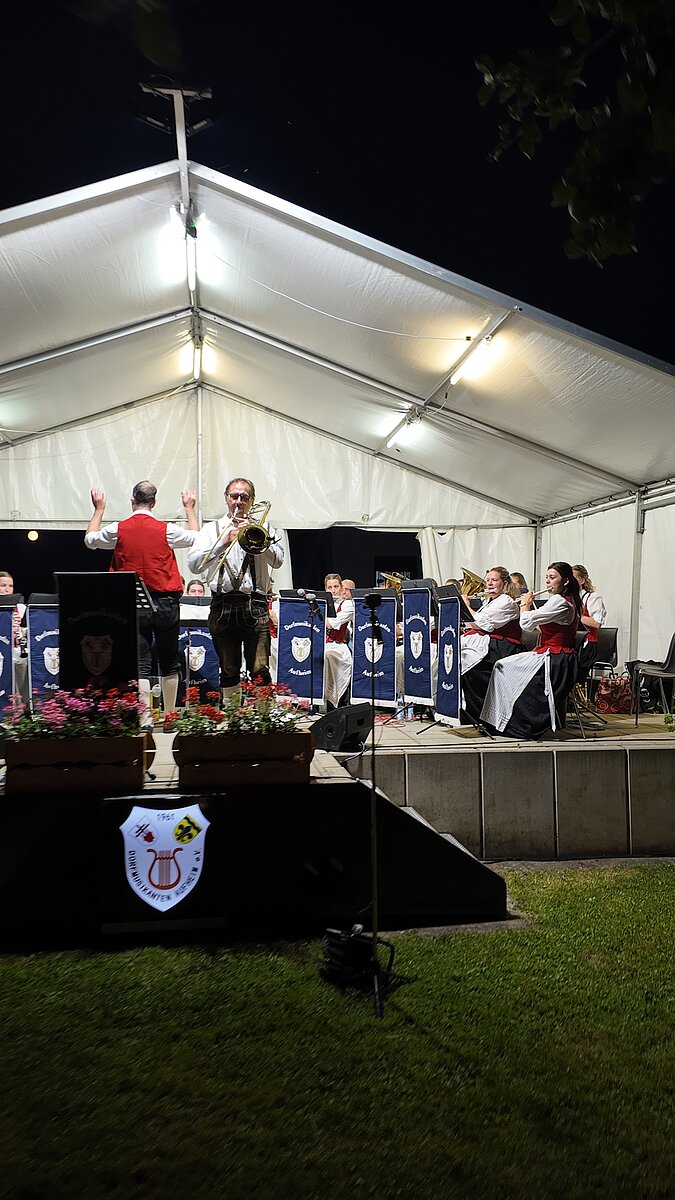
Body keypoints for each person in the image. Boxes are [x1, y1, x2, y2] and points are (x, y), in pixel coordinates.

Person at [84, 480, 199, 718]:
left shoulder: (119, 529)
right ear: (154, 503)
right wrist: (189, 508)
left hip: (133, 604)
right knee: (169, 660)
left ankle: (145, 718)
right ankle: (169, 716)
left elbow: (90, 540)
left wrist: (99, 509)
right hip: (166, 603)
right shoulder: (166, 529)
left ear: (132, 500)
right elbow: (195, 537)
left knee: (141, 663)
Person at [187, 477, 284, 696]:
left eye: (244, 497)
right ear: (226, 498)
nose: (239, 501)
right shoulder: (211, 529)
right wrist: (222, 543)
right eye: (234, 496)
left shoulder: (265, 527)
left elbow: (278, 560)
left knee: (260, 669)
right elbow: (193, 564)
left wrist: (260, 536)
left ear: (252, 501)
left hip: (255, 605)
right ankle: (232, 716)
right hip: (222, 604)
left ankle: (263, 716)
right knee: (228, 669)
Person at [480, 561, 582, 739]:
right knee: (501, 666)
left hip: (557, 658)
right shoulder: (559, 600)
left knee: (502, 668)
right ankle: (499, 721)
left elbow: (526, 623)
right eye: (547, 577)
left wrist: (525, 605)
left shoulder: (560, 602)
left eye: (552, 577)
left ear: (565, 581)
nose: (548, 581)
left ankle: (510, 723)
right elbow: (540, 626)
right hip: (549, 653)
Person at [460, 566, 522, 724]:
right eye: (487, 580)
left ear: (504, 583)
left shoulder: (506, 601)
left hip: (504, 646)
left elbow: (483, 623)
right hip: (492, 643)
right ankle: (465, 710)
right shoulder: (490, 601)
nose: (489, 584)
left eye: (494, 580)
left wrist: (465, 606)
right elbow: (476, 623)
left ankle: (478, 714)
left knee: (471, 665)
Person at [572, 564, 607, 688]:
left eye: (573, 578)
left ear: (582, 580)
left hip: (588, 644)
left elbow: (597, 623)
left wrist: (575, 615)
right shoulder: (567, 598)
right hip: (573, 642)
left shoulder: (592, 598)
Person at [324, 573, 354, 707]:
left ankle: (337, 707)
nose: (333, 590)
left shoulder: (348, 605)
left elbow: (331, 624)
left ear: (341, 588)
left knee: (329, 657)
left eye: (336, 586)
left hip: (338, 646)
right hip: (322, 645)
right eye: (329, 587)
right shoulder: (321, 604)